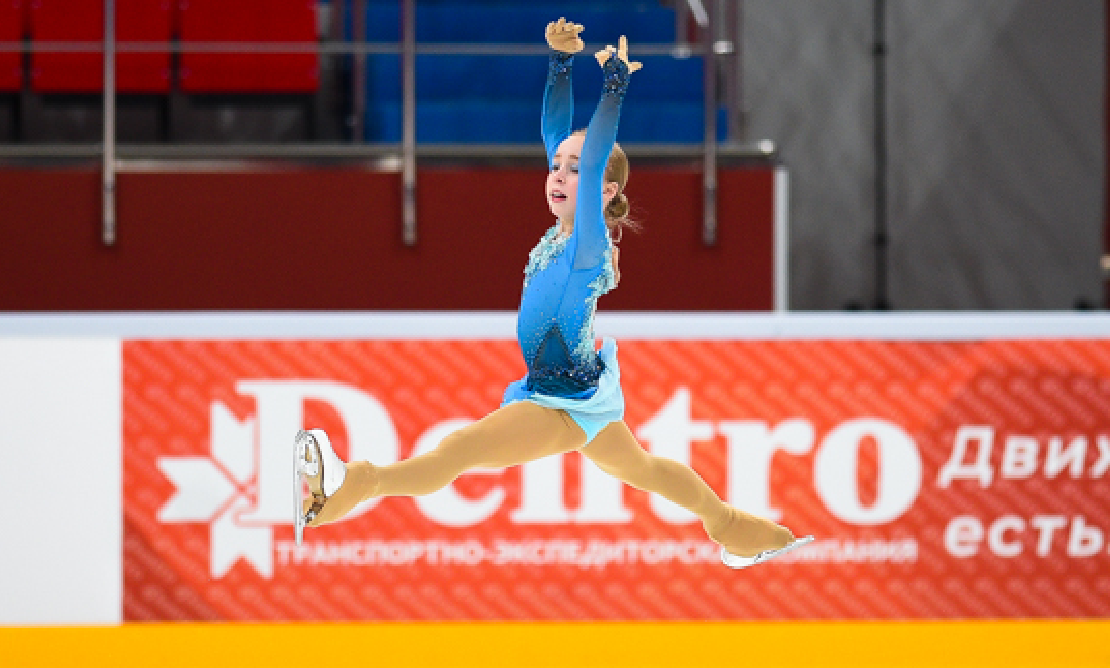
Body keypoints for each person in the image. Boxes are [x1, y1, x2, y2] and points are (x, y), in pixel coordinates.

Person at [294, 18, 812, 569]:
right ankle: (733, 527)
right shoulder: (560, 233)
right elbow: (555, 131)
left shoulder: (588, 245)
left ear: (603, 190)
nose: (559, 173)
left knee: (456, 453)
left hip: (561, 403)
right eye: (555, 166)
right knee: (644, 470)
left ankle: (348, 486)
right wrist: (559, 64)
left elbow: (592, 157)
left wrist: (615, 88)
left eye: (574, 169)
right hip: (572, 391)